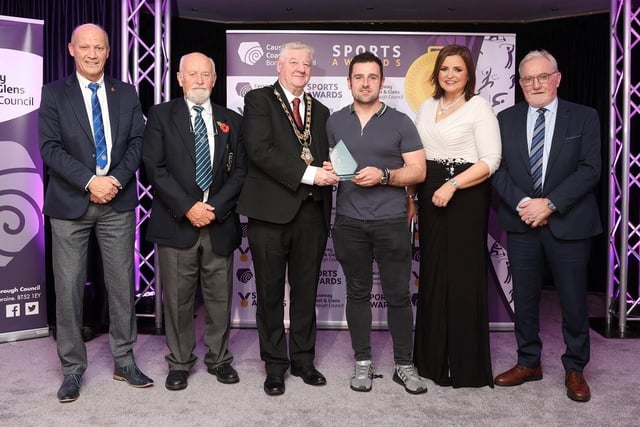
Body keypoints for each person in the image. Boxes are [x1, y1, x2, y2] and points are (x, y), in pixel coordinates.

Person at [38, 23, 153, 403]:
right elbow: (51, 149)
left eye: (99, 47)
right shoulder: (54, 93)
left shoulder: (127, 93)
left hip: (116, 202)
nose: (92, 54)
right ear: (71, 49)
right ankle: (72, 368)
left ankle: (124, 359)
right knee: (68, 288)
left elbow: (138, 143)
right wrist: (91, 181)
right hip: (70, 204)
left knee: (121, 283)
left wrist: (114, 181)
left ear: (107, 51)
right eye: (84, 47)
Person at [492, 49, 602, 402]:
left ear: (557, 78)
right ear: (519, 82)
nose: (535, 84)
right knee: (524, 298)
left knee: (572, 300)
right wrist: (526, 204)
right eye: (527, 78)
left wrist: (549, 204)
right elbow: (497, 168)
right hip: (522, 221)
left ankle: (574, 368)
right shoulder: (505, 118)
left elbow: (590, 169)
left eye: (542, 77)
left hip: (569, 223)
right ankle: (529, 362)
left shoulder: (584, 117)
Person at [236, 41, 339, 396]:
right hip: (269, 213)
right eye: (293, 62)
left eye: (306, 63)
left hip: (311, 213)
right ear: (279, 66)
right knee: (267, 292)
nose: (300, 68)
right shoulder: (259, 100)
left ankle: (304, 360)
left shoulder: (321, 110)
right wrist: (310, 174)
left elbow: (321, 155)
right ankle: (275, 365)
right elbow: (260, 150)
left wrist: (327, 166)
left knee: (306, 291)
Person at [142, 52, 247, 391]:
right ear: (179, 78)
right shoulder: (160, 115)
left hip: (218, 221)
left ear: (215, 80)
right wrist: (189, 206)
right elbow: (153, 168)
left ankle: (219, 358)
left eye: (206, 74)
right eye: (193, 74)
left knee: (219, 296)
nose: (200, 79)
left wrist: (212, 207)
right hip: (177, 222)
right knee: (177, 299)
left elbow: (241, 171)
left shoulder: (231, 119)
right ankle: (179, 362)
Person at [326, 51, 428, 394]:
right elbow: (334, 166)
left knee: (398, 295)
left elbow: (419, 170)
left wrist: (385, 175)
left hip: (391, 221)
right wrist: (329, 172)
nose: (365, 83)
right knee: (357, 293)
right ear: (349, 81)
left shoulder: (401, 121)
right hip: (349, 222)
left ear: (382, 83)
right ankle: (363, 363)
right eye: (359, 77)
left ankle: (403, 364)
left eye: (372, 77)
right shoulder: (334, 121)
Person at [413, 44, 501, 388]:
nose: (450, 75)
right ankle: (432, 361)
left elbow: (491, 160)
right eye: (445, 69)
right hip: (428, 191)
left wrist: (451, 185)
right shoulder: (426, 106)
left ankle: (464, 365)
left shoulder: (478, 107)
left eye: (458, 69)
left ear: (469, 74)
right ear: (436, 73)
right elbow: (417, 156)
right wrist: (413, 194)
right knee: (433, 274)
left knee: (463, 277)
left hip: (465, 194)